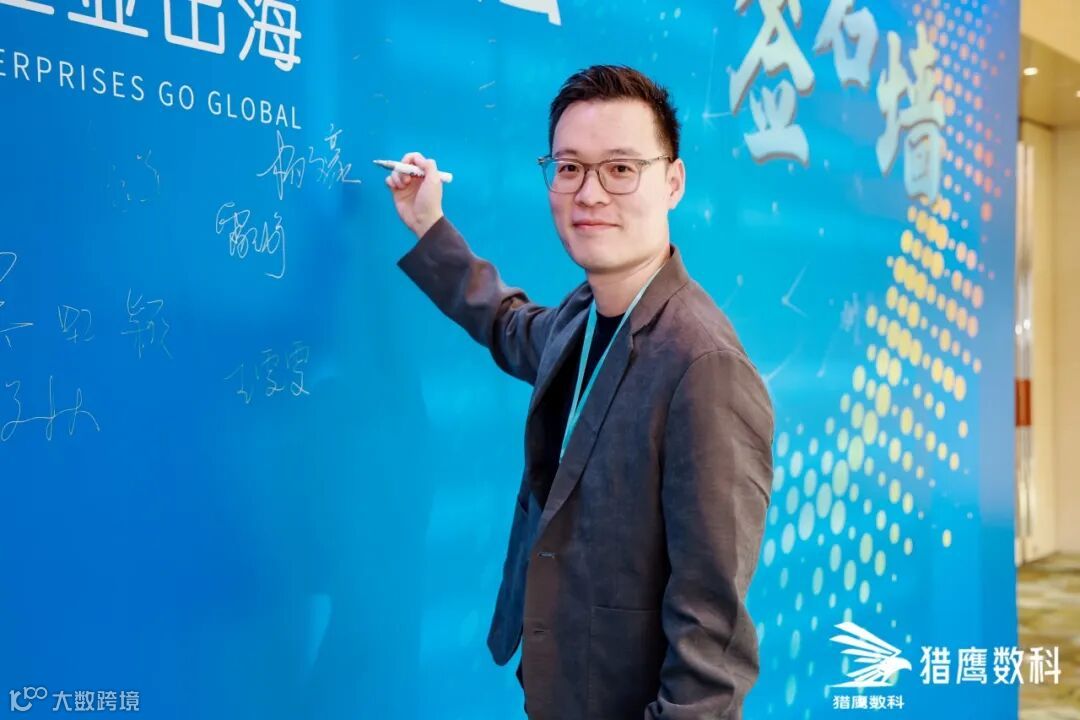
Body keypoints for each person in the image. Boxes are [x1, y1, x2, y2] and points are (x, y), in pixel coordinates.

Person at [385, 64, 774, 720]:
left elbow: (712, 647)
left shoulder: (704, 367)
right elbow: (507, 324)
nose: (589, 193)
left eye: (620, 168)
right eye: (569, 168)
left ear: (673, 182)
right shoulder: (583, 315)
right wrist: (430, 228)